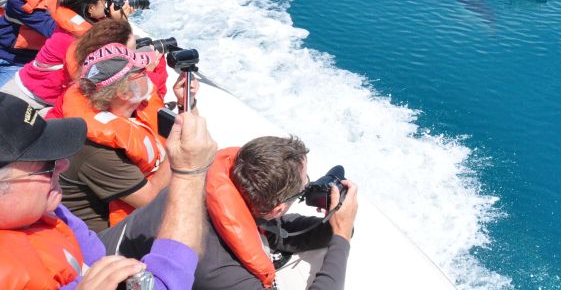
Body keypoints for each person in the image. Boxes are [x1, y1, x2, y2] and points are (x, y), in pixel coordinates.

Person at [0, 91, 218, 289]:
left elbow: (96, 256)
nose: (63, 165)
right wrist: (189, 172)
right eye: (46, 165)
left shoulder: (49, 210)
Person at [101, 135, 359, 290]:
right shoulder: (223, 271)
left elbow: (267, 229)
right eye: (304, 187)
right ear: (278, 207)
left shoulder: (198, 187)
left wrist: (331, 226)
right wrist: (341, 238)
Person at [59, 43, 197, 231]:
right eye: (141, 72)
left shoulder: (131, 110)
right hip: (104, 241)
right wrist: (176, 150)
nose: (148, 72)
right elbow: (149, 199)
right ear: (123, 92)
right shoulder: (96, 149)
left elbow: (192, 134)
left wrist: (186, 101)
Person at [1, 0, 129, 114]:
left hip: (32, 90)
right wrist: (122, 23)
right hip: (26, 98)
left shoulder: (70, 25)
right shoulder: (75, 38)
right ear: (91, 9)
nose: (105, 5)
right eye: (103, 0)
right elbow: (119, 59)